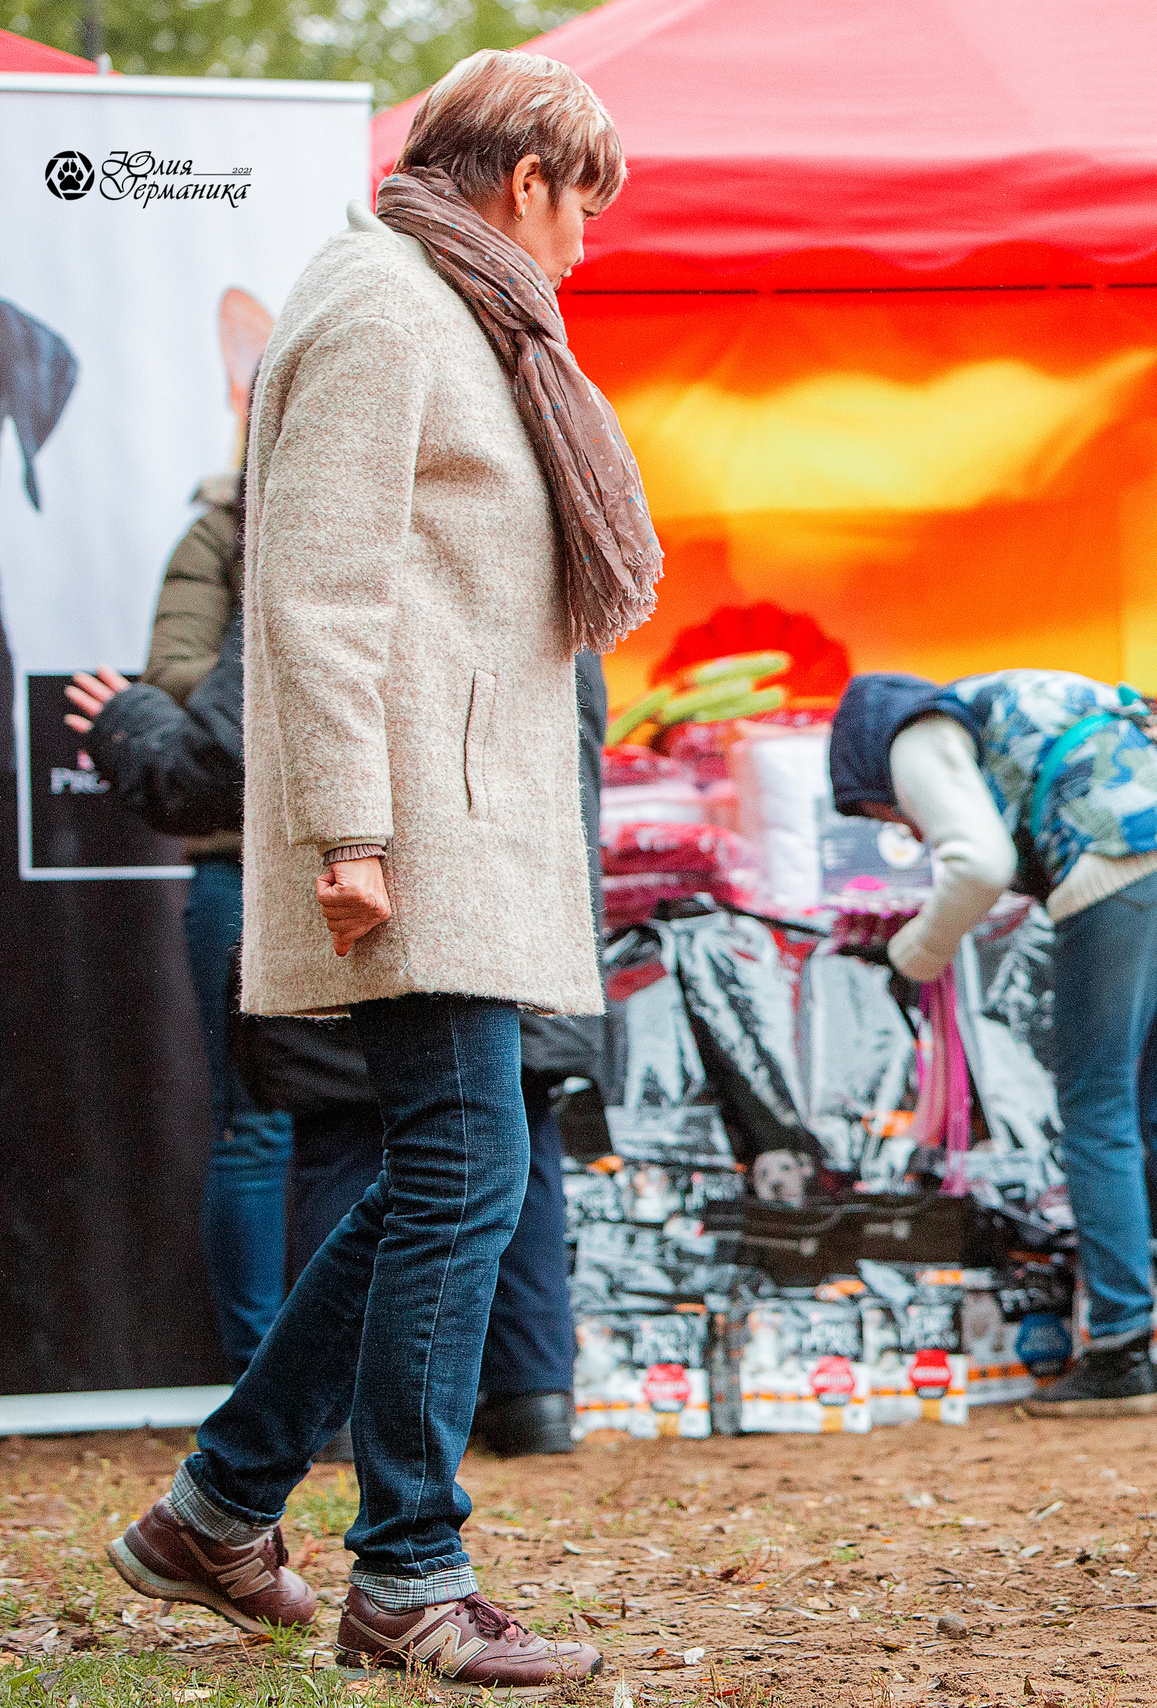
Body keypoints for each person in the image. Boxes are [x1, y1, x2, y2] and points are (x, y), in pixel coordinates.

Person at [103, 49, 657, 1688]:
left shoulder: (456, 308)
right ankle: (408, 1571)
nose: (588, 240)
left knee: (449, 1168)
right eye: (583, 202)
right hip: (410, 827)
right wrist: (349, 825)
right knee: (462, 1168)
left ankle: (220, 1506)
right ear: (522, 178)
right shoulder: (383, 302)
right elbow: (316, 593)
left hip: (460, 819)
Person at [65, 639, 603, 1458]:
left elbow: (221, 757)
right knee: (498, 1149)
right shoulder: (545, 546)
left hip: (379, 910)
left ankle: (315, 1434)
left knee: (375, 1154)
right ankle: (520, 1406)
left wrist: (131, 722)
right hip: (514, 904)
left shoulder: (335, 544)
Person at [828, 667, 1157, 1419]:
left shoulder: (910, 732)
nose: (900, 826)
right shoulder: (1012, 694)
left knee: (1096, 1107)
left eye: (882, 812)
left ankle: (1120, 1349)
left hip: (1122, 864)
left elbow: (978, 861)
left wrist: (912, 957)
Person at [143, 465, 295, 1376]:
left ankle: (370, 1377)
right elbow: (169, 677)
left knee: (387, 1128)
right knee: (261, 1123)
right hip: (244, 859)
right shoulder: (224, 528)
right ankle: (265, 1378)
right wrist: (309, 662)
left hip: (397, 860)